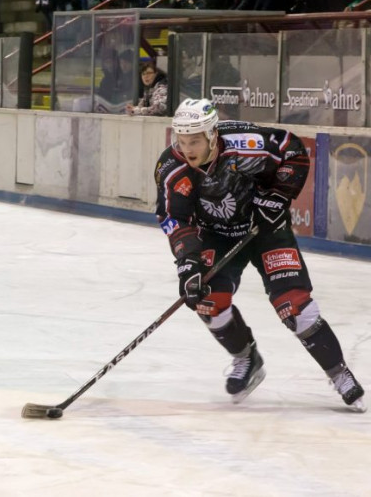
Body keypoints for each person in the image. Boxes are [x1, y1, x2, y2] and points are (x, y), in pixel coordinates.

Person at [154, 98, 365, 411]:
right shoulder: (172, 167)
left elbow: (293, 151)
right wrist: (188, 263)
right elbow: (174, 218)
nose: (188, 149)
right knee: (208, 300)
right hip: (218, 235)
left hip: (266, 229)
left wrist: (277, 197)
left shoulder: (247, 143)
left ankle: (338, 372)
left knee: (294, 306)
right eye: (182, 141)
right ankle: (246, 360)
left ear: (212, 135)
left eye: (195, 140)